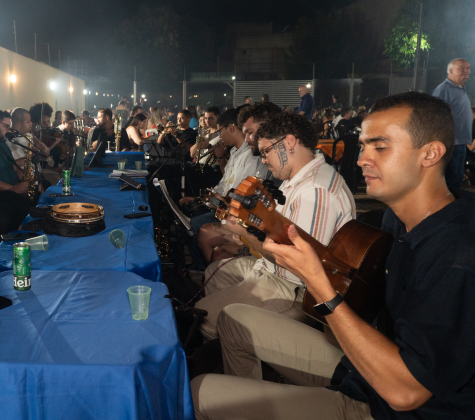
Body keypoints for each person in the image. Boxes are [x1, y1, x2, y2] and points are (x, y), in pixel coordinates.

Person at [191, 91, 475, 420]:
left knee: (200, 392)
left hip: (387, 407)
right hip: (363, 370)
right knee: (233, 320)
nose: (362, 159)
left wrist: (320, 286)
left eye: (380, 147)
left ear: (431, 153)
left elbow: (406, 391)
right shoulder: (395, 220)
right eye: (364, 145)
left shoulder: (458, 254)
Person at [194, 113, 355, 341]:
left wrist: (245, 234)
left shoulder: (315, 191)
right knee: (214, 273)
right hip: (276, 272)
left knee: (204, 317)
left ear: (289, 142)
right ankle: (239, 344)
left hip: (293, 288)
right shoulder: (298, 178)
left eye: (266, 151)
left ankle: (241, 346)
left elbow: (296, 267)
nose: (263, 159)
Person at [181, 106, 259, 270]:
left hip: (232, 211)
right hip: (222, 203)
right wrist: (202, 198)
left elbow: (237, 194)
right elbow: (224, 183)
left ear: (231, 127)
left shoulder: (249, 157)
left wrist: (214, 199)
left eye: (221, 131)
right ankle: (202, 266)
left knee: (194, 224)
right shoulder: (236, 153)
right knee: (187, 213)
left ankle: (202, 267)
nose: (220, 135)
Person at [432, 58, 471, 189]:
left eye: (468, 68)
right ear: (450, 70)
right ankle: (447, 206)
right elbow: (435, 114)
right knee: (451, 177)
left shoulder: (461, 88)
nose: (466, 71)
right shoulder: (444, 89)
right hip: (449, 142)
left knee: (458, 176)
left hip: (460, 141)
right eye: (462, 68)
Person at [238, 102, 281, 181]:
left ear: (267, 127)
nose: (246, 139)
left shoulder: (280, 166)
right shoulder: (260, 159)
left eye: (250, 133)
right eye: (245, 134)